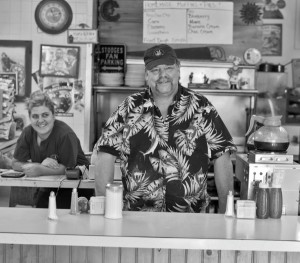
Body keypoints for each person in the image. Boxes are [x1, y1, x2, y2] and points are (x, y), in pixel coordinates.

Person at [93, 44, 236, 213]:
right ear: (146, 75)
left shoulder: (201, 107)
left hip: (192, 220)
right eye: (155, 70)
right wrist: (103, 208)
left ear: (178, 70)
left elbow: (222, 156)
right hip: (137, 219)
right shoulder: (128, 108)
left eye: (168, 68)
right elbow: (105, 155)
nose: (163, 76)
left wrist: (226, 211)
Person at [11, 90, 94, 208]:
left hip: (76, 189)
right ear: (30, 117)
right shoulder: (28, 133)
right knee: (40, 214)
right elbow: (15, 163)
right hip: (49, 187)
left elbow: (66, 169)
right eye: (35, 116)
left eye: (45, 115)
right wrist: (38, 165)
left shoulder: (65, 135)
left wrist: (40, 169)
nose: (40, 120)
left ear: (53, 115)